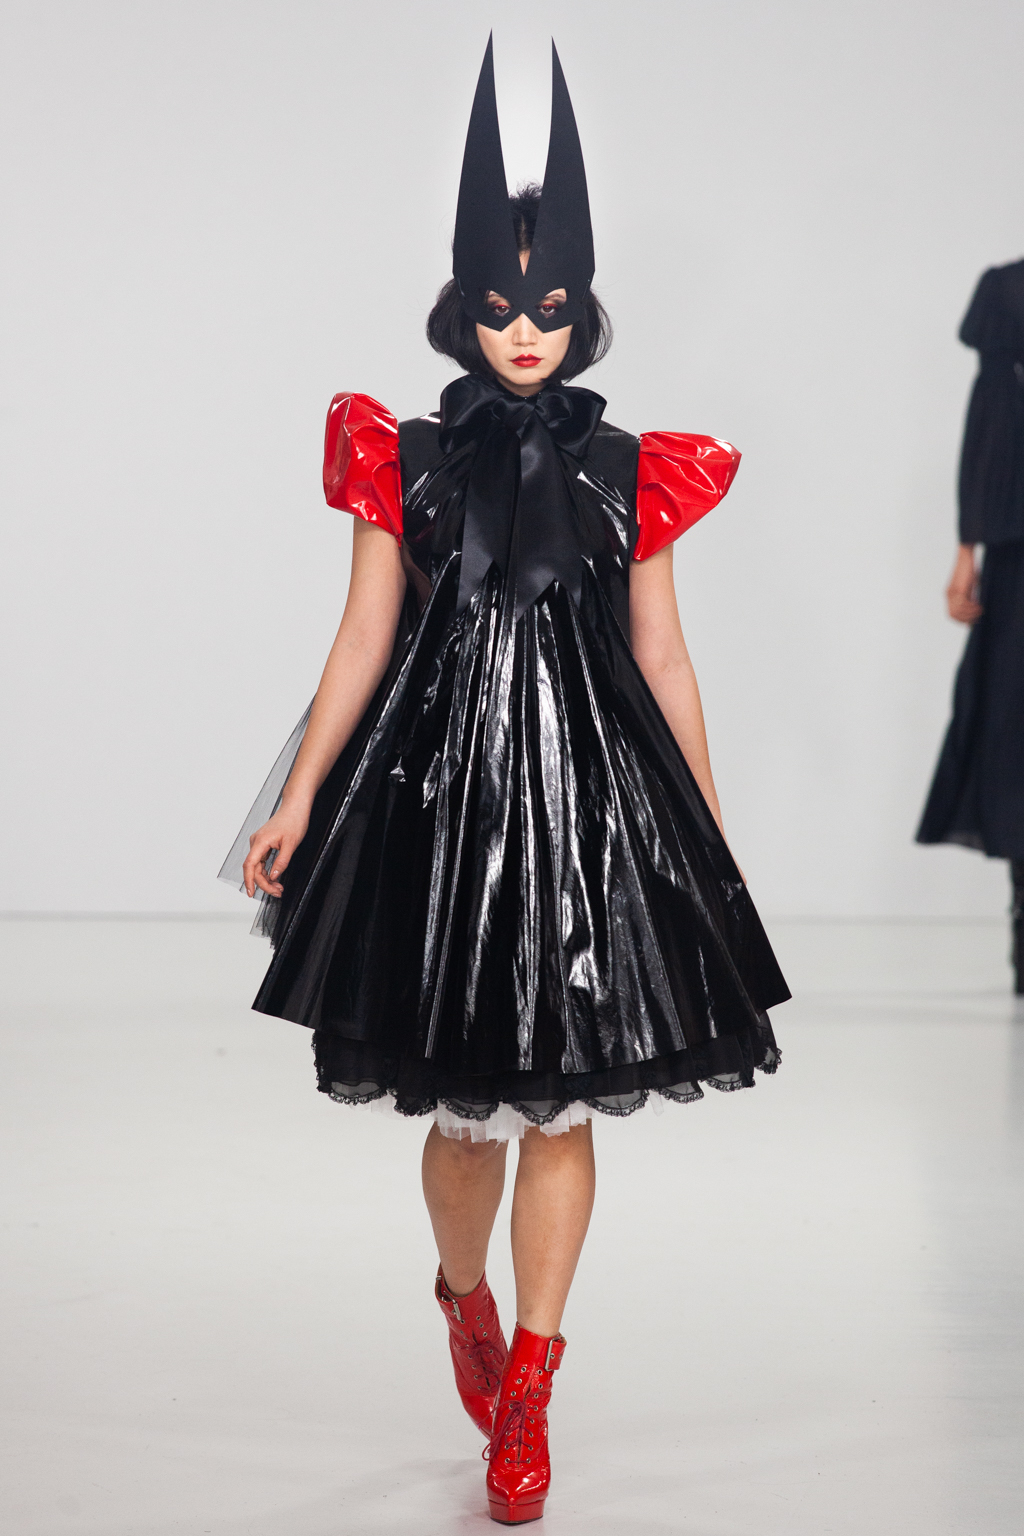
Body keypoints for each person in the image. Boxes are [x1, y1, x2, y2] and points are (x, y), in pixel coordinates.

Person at [220, 37, 788, 1526]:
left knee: (563, 1103)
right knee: (464, 1117)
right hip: (441, 794)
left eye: (547, 309)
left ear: (581, 313)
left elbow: (663, 658)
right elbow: (364, 636)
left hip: (590, 797)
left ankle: (531, 1382)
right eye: (498, 307)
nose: (524, 333)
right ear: (462, 307)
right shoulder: (402, 455)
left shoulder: (634, 467)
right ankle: (463, 1297)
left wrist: (706, 827)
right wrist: (297, 797)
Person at [917, 260, 1024, 994]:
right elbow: (990, 418)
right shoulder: (1009, 292)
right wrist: (968, 549)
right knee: (1013, 721)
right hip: (1019, 552)